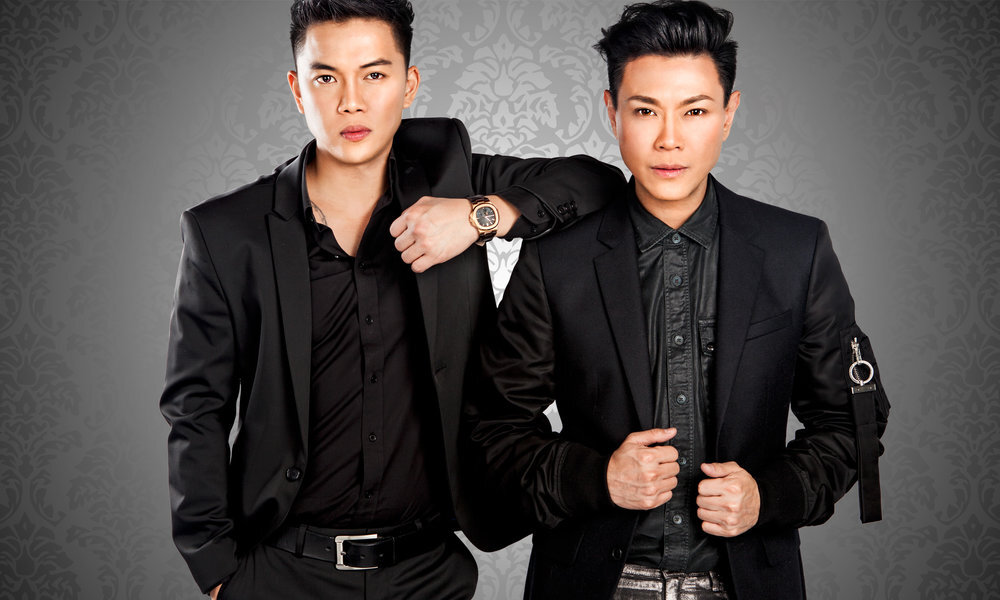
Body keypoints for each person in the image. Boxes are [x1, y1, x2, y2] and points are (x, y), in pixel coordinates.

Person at [159, 0, 623, 598]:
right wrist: (217, 571)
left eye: (374, 74)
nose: (351, 101)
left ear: (409, 86)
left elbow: (597, 182)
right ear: (298, 90)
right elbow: (196, 408)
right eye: (327, 78)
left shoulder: (454, 182)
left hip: (427, 570)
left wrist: (480, 216)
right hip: (281, 570)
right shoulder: (226, 232)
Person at [467, 1, 890, 598]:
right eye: (646, 111)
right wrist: (597, 478)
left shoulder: (797, 249)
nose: (669, 139)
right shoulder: (554, 259)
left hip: (749, 584)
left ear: (728, 114)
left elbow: (851, 420)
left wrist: (768, 495)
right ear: (612, 112)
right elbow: (492, 429)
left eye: (695, 110)